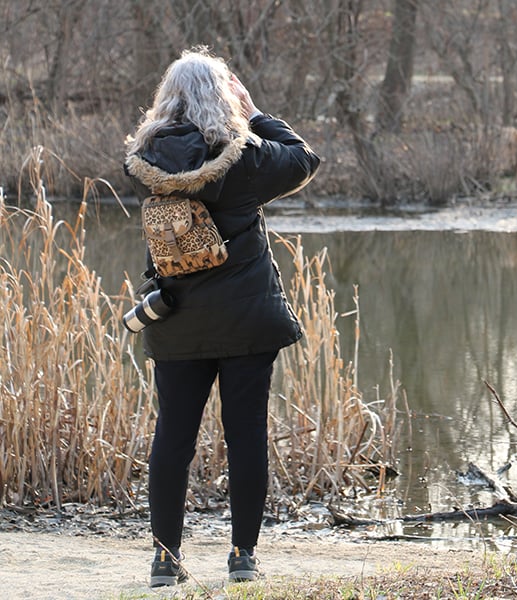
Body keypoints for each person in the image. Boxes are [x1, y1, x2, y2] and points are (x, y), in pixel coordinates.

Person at [123, 47, 321, 587]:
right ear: (223, 94)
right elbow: (303, 158)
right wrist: (253, 111)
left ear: (168, 97)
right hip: (246, 321)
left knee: (173, 438)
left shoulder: (145, 160)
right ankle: (242, 558)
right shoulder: (245, 157)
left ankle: (165, 560)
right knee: (246, 436)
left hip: (175, 317)